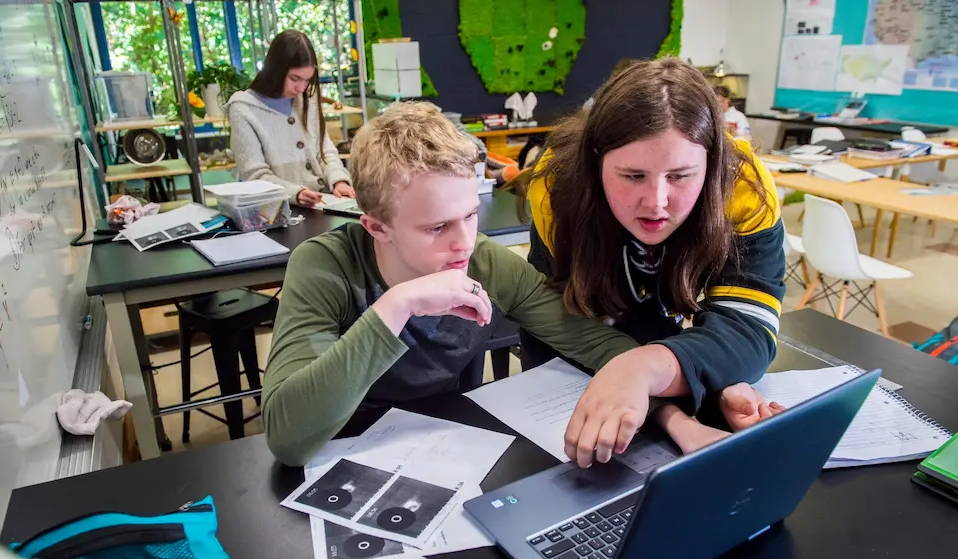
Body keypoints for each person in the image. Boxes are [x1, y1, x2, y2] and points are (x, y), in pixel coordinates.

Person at [261, 102, 778, 467]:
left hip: (450, 455)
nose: (464, 243)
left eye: (469, 215)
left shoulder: (481, 258)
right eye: (437, 227)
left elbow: (593, 343)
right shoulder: (324, 267)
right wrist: (395, 308)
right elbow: (288, 437)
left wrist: (674, 417)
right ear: (377, 227)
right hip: (344, 459)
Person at [523, 59, 786, 466]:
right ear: (594, 162)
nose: (656, 202)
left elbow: (748, 327)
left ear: (712, 164)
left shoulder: (744, 187)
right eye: (631, 176)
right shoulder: (555, 187)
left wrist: (675, 374)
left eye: (681, 176)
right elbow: (558, 325)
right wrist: (687, 385)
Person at [226, 30, 354, 208]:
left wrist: (339, 180)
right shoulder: (243, 108)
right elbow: (254, 175)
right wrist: (296, 193)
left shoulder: (308, 99)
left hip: (325, 202)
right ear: (275, 70)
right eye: (294, 78)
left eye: (307, 80)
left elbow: (325, 153)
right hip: (279, 210)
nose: (301, 87)